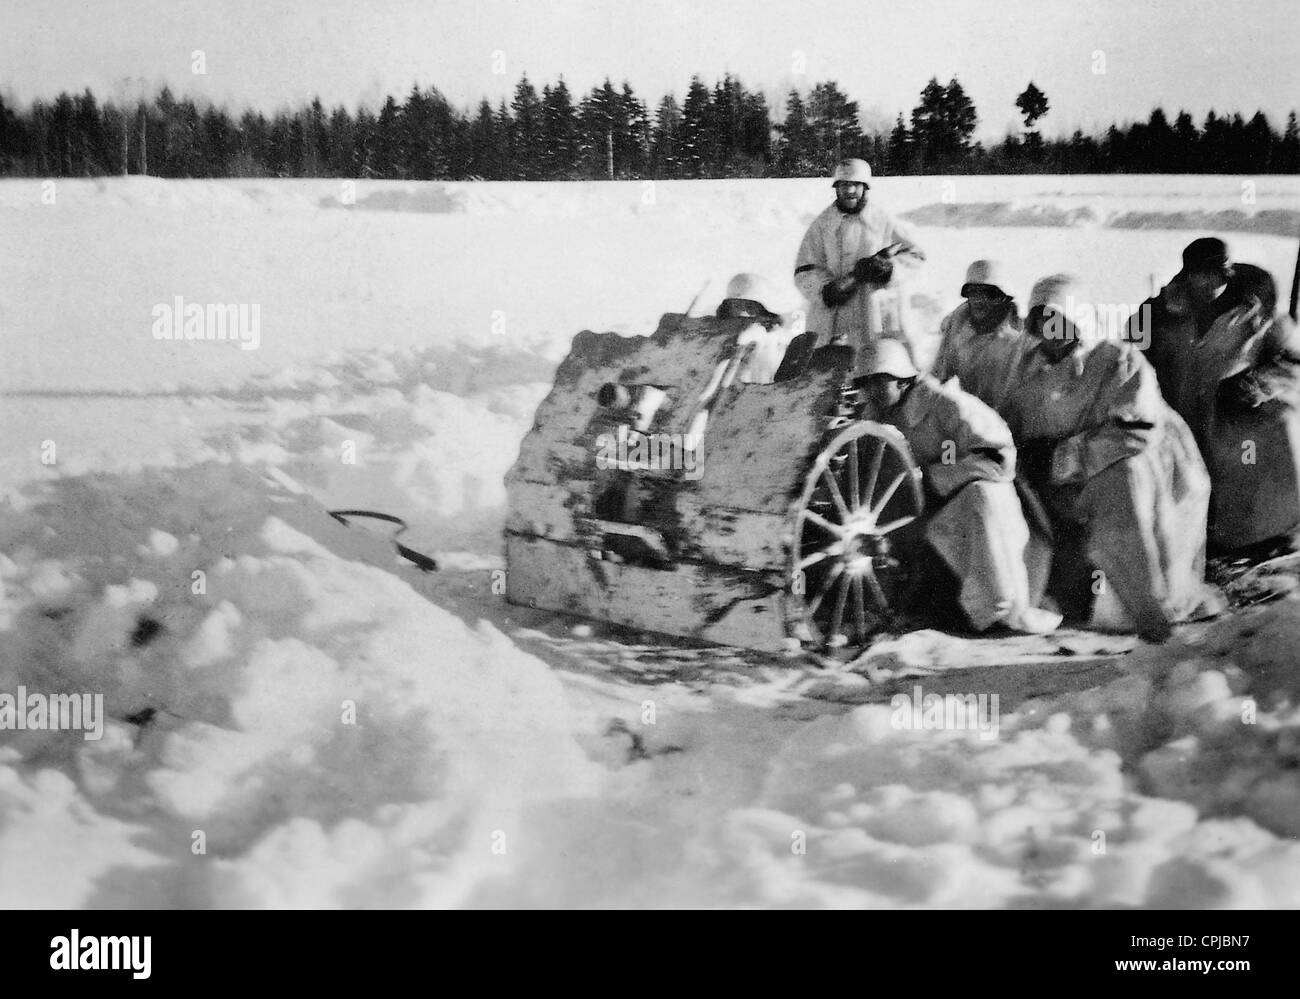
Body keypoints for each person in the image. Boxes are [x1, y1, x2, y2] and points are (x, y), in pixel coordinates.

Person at [1005, 274, 1221, 641]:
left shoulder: (1117, 359)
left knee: (1120, 485)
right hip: (1062, 479)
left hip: (1144, 466)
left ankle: (1147, 608)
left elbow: (1135, 432)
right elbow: (1011, 424)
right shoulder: (1026, 369)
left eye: (1059, 318)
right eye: (1042, 319)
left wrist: (1062, 455)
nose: (1050, 329)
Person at [859, 339, 1060, 635]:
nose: (872, 391)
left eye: (880, 381)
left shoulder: (946, 404)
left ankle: (999, 607)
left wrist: (937, 477)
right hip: (926, 502)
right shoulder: (877, 414)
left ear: (903, 380)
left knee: (980, 501)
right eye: (866, 383)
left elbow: (999, 457)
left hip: (985, 492)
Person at [1134, 242, 1300, 551]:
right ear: (1189, 274)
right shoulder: (1156, 313)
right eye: (1203, 275)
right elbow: (1127, 360)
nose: (1212, 283)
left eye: (1220, 274)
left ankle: (1256, 540)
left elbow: (1286, 357)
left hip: (1223, 419)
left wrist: (1261, 382)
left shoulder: (1250, 310)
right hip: (1175, 420)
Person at [793, 158, 925, 379]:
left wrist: (888, 269)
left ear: (865, 188)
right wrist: (826, 289)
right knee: (831, 378)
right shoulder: (821, 225)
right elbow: (804, 270)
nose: (850, 191)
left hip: (874, 315)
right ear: (836, 189)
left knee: (880, 371)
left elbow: (915, 256)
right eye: (843, 185)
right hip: (833, 317)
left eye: (856, 185)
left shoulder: (883, 221)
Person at [931, 258, 1027, 410]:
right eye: (973, 292)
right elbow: (938, 377)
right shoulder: (957, 326)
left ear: (1003, 297)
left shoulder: (1023, 337)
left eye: (989, 293)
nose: (978, 300)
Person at [714, 272, 810, 384]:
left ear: (764, 310)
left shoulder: (784, 343)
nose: (742, 312)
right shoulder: (721, 340)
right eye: (735, 306)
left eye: (749, 307)